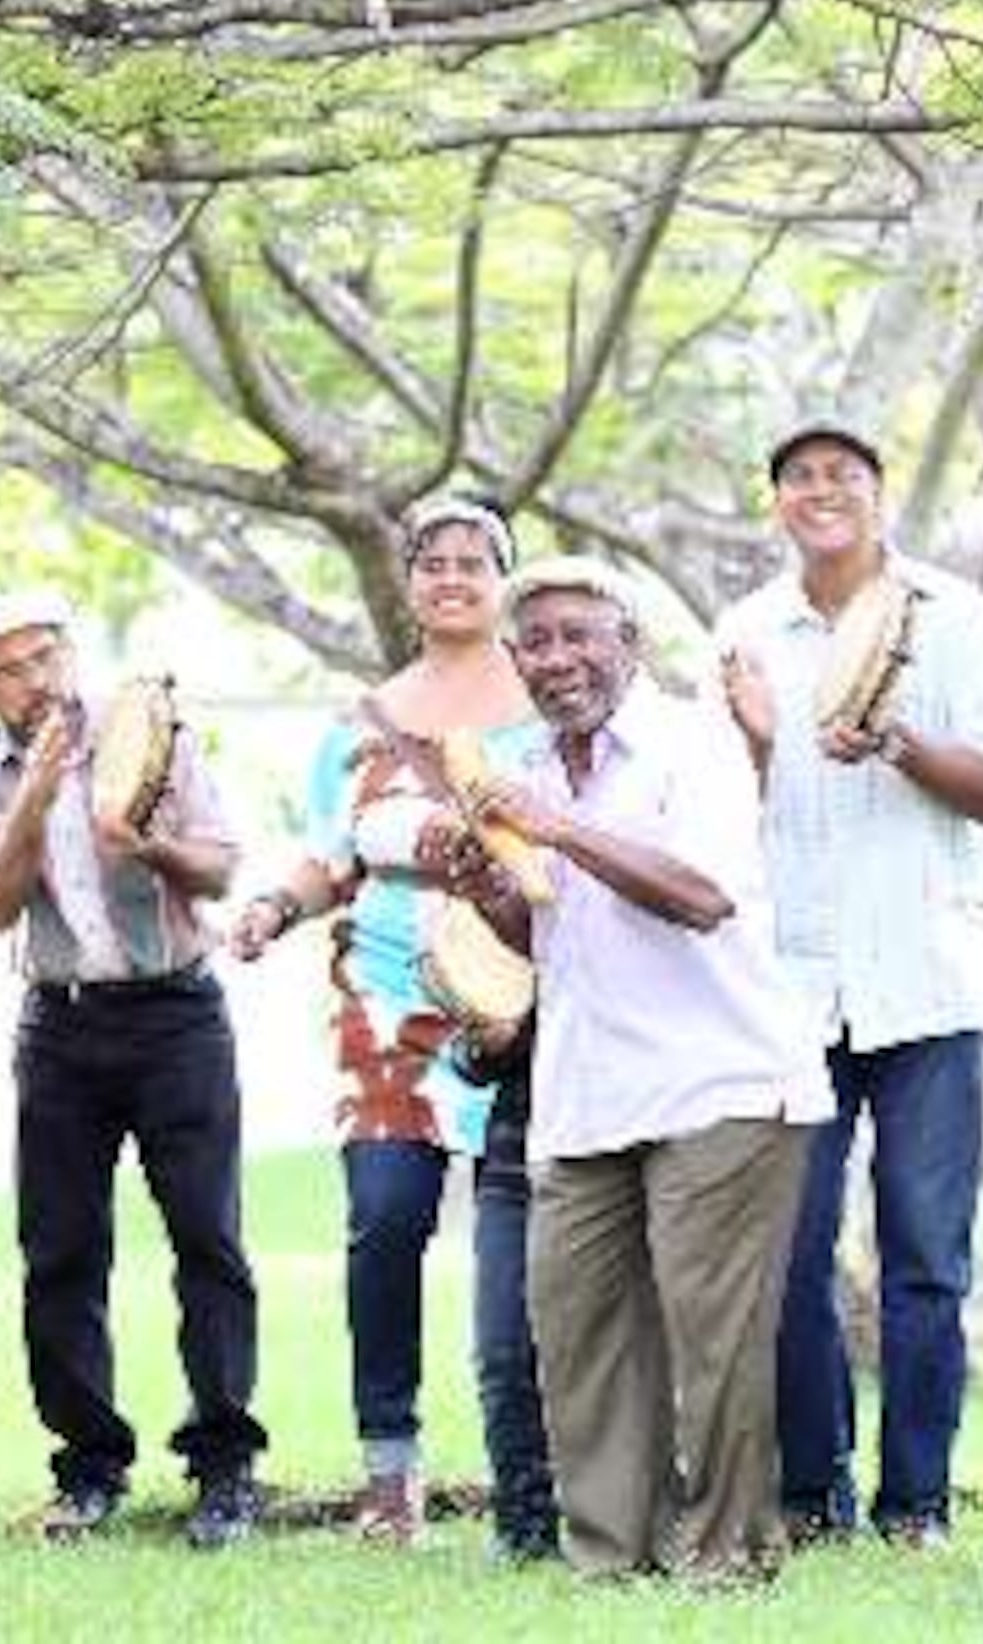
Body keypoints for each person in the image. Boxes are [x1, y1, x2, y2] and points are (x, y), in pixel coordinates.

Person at [454, 555, 823, 1582]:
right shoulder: (525, 767)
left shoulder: (692, 743)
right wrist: (490, 882)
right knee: (576, 1331)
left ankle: (727, 1557)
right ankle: (613, 1561)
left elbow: (702, 897)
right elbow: (545, 933)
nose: (557, 657)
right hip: (585, 1089)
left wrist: (556, 826)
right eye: (535, 640)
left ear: (630, 643)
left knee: (714, 1341)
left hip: (725, 1080)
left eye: (579, 634)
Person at [714, 420, 983, 1545]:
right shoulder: (747, 628)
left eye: (842, 475)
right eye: (798, 476)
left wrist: (893, 738)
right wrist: (754, 743)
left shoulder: (954, 619)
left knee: (927, 1259)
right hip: (792, 992)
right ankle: (812, 1495)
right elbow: (713, 821)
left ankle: (918, 1503)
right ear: (777, 502)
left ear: (879, 495)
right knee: (788, 1255)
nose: (820, 491)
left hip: (931, 985)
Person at [228, 497, 555, 1554]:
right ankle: (389, 1470)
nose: (452, 577)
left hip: (537, 997)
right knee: (386, 1221)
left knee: (546, 1241)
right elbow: (330, 856)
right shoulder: (361, 723)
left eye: (474, 561)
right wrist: (275, 907)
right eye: (433, 562)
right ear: (408, 583)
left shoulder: (547, 705)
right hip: (387, 1000)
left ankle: (542, 1466)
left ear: (503, 577)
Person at [0, 593, 267, 1551]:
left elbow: (219, 868)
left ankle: (224, 1468)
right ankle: (88, 1468)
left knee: (209, 1243)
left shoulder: (149, 734)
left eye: (52, 656)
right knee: (61, 1254)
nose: (42, 680)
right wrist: (34, 803)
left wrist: (148, 843)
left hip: (177, 1014)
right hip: (61, 1026)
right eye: (17, 667)